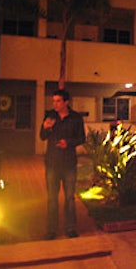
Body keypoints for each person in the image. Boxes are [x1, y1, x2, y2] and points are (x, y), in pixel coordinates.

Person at [40, 89, 85, 240]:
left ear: (66, 102)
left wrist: (68, 143)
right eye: (54, 101)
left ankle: (71, 227)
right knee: (52, 198)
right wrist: (45, 127)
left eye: (58, 101)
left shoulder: (76, 118)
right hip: (52, 162)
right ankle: (51, 230)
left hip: (69, 163)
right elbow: (42, 137)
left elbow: (81, 138)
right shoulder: (50, 116)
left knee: (69, 198)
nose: (55, 104)